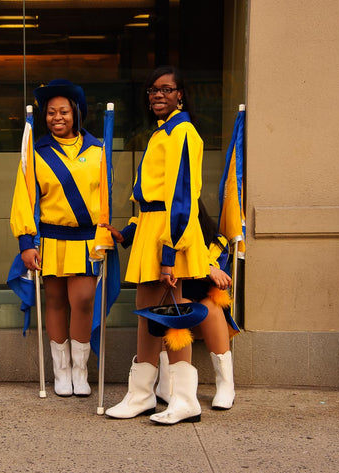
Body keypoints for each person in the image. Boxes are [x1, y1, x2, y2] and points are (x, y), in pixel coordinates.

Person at [102, 65, 210, 424]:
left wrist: (169, 255)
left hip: (171, 234)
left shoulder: (183, 132)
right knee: (148, 317)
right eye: (152, 90)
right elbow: (149, 197)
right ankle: (142, 395)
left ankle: (184, 400)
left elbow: (181, 198)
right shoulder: (159, 134)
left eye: (166, 89)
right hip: (152, 228)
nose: (158, 95)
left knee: (175, 317)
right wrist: (130, 233)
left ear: (181, 93)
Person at [10, 79, 104, 397]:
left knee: (83, 301)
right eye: (51, 112)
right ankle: (61, 371)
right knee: (55, 302)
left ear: (76, 113)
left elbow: (105, 199)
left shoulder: (98, 150)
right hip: (50, 238)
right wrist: (26, 242)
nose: (57, 117)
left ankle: (81, 369)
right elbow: (23, 198)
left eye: (63, 111)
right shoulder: (35, 153)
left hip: (87, 240)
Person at [155, 198, 239, 410]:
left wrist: (207, 269)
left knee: (211, 307)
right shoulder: (163, 241)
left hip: (204, 307)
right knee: (177, 308)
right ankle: (169, 382)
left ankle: (226, 384)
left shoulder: (216, 240)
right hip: (176, 302)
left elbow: (217, 274)